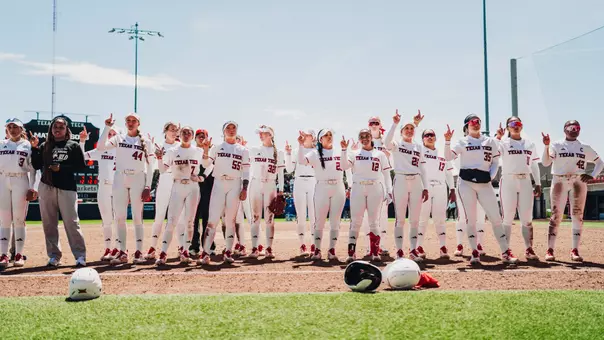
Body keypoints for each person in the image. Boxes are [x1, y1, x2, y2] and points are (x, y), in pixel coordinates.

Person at [444, 114, 518, 265]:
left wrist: (490, 176)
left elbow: (496, 161)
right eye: (472, 122)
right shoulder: (462, 141)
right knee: (470, 220)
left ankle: (505, 251)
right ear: (466, 126)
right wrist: (447, 141)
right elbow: (447, 157)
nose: (476, 124)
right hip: (466, 182)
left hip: (484, 182)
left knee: (495, 218)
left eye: (478, 121)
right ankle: (474, 253)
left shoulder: (490, 141)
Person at [97, 113, 155, 265]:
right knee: (120, 217)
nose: (130, 123)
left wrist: (148, 186)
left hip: (137, 178)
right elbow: (101, 147)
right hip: (120, 178)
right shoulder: (119, 138)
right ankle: (122, 251)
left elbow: (150, 166)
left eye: (133, 120)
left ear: (138, 123)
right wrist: (107, 127)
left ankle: (138, 251)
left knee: (137, 216)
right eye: (128, 121)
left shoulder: (146, 142)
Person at [541, 120, 603, 261]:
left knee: (577, 215)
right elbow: (545, 163)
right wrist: (546, 146)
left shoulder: (585, 147)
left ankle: (575, 249)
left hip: (578, 180)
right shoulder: (556, 144)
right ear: (564, 129)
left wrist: (592, 175)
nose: (574, 130)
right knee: (556, 215)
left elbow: (600, 162)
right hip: (559, 180)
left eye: (577, 127)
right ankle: (550, 249)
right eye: (571, 127)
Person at [31, 116, 87, 267]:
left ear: (66, 130)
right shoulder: (45, 145)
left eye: (61, 127)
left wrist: (61, 168)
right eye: (55, 126)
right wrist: (35, 148)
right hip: (46, 186)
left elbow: (81, 166)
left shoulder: (73, 145)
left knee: (72, 223)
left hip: (67, 188)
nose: (57, 129)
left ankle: (80, 256)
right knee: (49, 224)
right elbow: (36, 165)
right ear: (51, 129)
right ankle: (54, 256)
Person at [198, 121, 250, 265]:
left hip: (235, 183)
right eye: (228, 128)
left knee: (230, 221)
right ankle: (206, 252)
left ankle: (228, 251)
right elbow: (205, 165)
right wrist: (206, 151)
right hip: (219, 182)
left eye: (234, 128)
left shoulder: (243, 150)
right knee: (212, 220)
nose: (231, 130)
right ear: (223, 131)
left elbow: (246, 171)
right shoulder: (216, 148)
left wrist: (245, 188)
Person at [383, 111, 429, 261]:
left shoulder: (419, 146)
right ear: (402, 131)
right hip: (401, 180)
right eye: (406, 129)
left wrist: (426, 186)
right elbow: (386, 142)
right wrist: (395, 124)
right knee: (400, 219)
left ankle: (413, 250)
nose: (409, 131)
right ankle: (399, 251)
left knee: (415, 219)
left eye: (411, 128)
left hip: (416, 182)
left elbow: (423, 168)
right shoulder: (397, 144)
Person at [494, 117, 542, 260]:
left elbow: (534, 164)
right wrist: (497, 137)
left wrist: (538, 182)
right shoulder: (503, 143)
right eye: (513, 124)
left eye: (518, 124)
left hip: (526, 180)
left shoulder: (529, 143)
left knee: (527, 217)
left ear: (522, 126)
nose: (516, 126)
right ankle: (505, 250)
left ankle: (529, 248)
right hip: (509, 179)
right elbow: (492, 152)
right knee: (508, 216)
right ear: (508, 127)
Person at [154, 126, 203, 265]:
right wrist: (159, 158)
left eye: (189, 133)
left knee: (189, 221)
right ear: (179, 135)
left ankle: (185, 250)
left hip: (193, 187)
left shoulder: (198, 151)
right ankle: (163, 252)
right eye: (184, 132)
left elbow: (209, 165)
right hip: (177, 185)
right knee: (172, 220)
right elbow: (163, 170)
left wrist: (202, 177)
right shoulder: (172, 151)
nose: (186, 135)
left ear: (192, 136)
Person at [298, 129, 348, 261]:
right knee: (319, 221)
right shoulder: (314, 153)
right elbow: (302, 161)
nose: (329, 137)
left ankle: (332, 250)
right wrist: (301, 145)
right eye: (326, 135)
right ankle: (317, 250)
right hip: (322, 186)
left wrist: (344, 150)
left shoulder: (339, 150)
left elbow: (345, 166)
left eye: (331, 135)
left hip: (338, 186)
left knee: (335, 221)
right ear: (320, 139)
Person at [345, 128, 392, 263]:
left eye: (367, 136)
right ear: (359, 139)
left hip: (375, 187)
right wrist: (344, 151)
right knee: (356, 221)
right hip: (358, 187)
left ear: (371, 137)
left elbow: (387, 174)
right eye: (361, 136)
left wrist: (389, 190)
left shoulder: (380, 154)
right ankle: (351, 252)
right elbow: (343, 166)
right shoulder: (353, 153)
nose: (364, 138)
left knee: (373, 221)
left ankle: (375, 252)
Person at [0, 118, 37, 268]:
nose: (12, 129)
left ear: (21, 129)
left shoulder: (28, 145)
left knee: (19, 219)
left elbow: (34, 169)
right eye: (9, 127)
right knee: (4, 219)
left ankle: (19, 254)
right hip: (3, 180)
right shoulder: (2, 144)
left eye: (15, 127)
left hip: (20, 180)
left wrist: (33, 187)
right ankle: (3, 254)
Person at [79, 126, 117, 261]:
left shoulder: (123, 150)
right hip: (103, 186)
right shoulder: (101, 150)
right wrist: (82, 142)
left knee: (119, 219)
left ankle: (118, 249)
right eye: (109, 133)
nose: (111, 136)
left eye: (114, 133)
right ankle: (108, 248)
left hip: (118, 187)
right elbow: (81, 157)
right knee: (106, 219)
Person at [417, 128, 455, 259]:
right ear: (422, 139)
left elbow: (449, 173)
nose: (429, 137)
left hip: (440, 187)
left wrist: (452, 189)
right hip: (425, 187)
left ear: (435, 138)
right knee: (422, 219)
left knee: (440, 219)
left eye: (432, 135)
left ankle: (443, 247)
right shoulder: (419, 152)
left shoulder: (443, 154)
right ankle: (418, 246)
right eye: (426, 135)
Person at [247, 125, 285, 259]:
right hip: (256, 183)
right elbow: (246, 168)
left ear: (271, 135)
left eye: (264, 133)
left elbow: (280, 172)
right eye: (260, 133)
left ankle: (269, 248)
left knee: (269, 218)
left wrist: (281, 190)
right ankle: (254, 248)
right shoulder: (253, 150)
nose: (261, 135)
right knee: (255, 217)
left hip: (270, 185)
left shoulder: (278, 152)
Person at [145, 122, 181, 260]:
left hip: (178, 181)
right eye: (171, 130)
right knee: (159, 216)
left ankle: (182, 247)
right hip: (165, 180)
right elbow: (153, 166)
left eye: (176, 130)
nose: (174, 132)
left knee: (180, 218)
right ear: (165, 131)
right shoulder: (159, 146)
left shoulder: (180, 146)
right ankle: (153, 247)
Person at [285, 129, 316, 256]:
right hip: (299, 181)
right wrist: (287, 153)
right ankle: (302, 245)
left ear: (313, 137)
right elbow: (289, 169)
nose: (305, 137)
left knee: (314, 216)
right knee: (301, 215)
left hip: (313, 181)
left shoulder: (317, 152)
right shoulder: (297, 151)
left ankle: (315, 245)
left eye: (308, 135)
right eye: (304, 135)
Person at [189, 129, 216, 256]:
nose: (201, 138)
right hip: (194, 186)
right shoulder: (192, 151)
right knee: (193, 218)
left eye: (203, 136)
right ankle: (194, 246)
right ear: (195, 138)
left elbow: (213, 168)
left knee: (207, 218)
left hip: (208, 186)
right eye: (199, 136)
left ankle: (209, 245)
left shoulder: (212, 151)